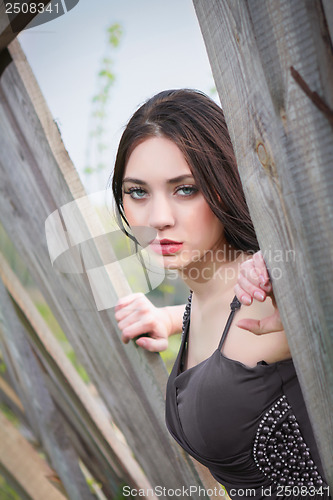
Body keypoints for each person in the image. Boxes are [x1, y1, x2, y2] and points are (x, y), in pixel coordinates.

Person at [112, 89, 330, 500]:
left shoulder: (269, 287)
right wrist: (169, 318)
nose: (158, 219)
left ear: (224, 183)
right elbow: (220, 319)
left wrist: (306, 285)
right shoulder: (204, 296)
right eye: (138, 192)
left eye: (186, 189)